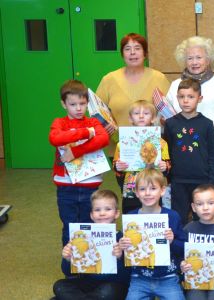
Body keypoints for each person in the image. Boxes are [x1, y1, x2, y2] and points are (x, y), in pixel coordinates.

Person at [167, 36, 214, 221]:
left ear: (208, 59)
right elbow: (168, 119)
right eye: (190, 58)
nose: (194, 62)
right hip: (183, 162)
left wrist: (200, 137)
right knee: (181, 210)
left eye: (199, 57)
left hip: (213, 159)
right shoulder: (174, 86)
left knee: (210, 210)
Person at [49, 79, 110, 247]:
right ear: (64, 104)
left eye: (82, 104)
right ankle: (70, 267)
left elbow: (103, 138)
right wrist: (84, 133)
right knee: (69, 226)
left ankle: (88, 264)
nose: (78, 108)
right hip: (66, 185)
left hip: (90, 184)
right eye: (73, 104)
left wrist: (76, 151)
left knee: (89, 223)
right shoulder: (60, 123)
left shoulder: (93, 122)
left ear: (87, 103)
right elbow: (55, 138)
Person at [117, 168, 186, 300]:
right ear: (136, 193)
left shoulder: (172, 216)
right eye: (142, 189)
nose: (147, 193)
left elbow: (183, 247)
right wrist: (122, 246)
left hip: (168, 278)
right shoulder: (131, 218)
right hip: (139, 278)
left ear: (162, 190)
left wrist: (172, 241)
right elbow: (125, 255)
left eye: (153, 188)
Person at [96, 33, 170, 155]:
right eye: (127, 49)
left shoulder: (159, 78)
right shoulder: (109, 80)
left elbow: (170, 111)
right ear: (122, 54)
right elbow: (97, 111)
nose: (132, 53)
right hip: (118, 148)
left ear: (145, 53)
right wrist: (104, 124)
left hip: (153, 148)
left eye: (137, 48)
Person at [53, 190, 129, 300]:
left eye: (108, 209)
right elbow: (67, 271)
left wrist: (119, 257)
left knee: (108, 292)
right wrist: (68, 259)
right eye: (97, 210)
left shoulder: (123, 239)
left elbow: (126, 278)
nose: (102, 213)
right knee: (59, 286)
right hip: (89, 284)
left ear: (116, 213)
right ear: (92, 215)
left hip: (114, 285)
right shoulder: (82, 236)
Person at [164, 79, 214, 222]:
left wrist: (211, 181)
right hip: (178, 180)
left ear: (199, 99)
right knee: (178, 218)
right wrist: (168, 178)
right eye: (182, 97)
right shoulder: (170, 124)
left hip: (202, 180)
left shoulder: (207, 124)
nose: (185, 101)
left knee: (202, 218)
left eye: (190, 97)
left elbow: (213, 154)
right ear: (177, 98)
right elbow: (167, 152)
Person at [113, 100, 170, 213]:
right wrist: (118, 167)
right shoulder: (123, 143)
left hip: (153, 187)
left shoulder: (161, 142)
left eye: (146, 113)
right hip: (131, 188)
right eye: (137, 113)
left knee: (153, 215)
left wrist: (165, 167)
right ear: (130, 118)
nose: (141, 116)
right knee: (130, 215)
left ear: (153, 118)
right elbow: (116, 165)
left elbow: (167, 165)